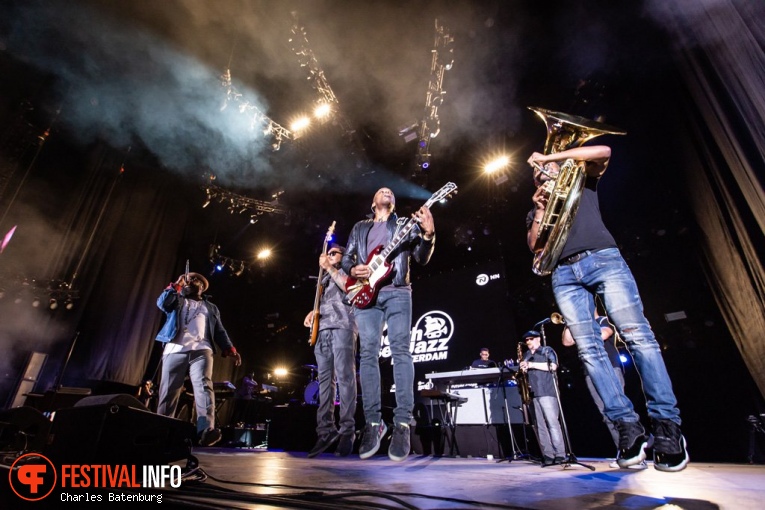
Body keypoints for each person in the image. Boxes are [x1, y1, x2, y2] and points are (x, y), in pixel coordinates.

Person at [527, 144, 688, 472]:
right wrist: (541, 211)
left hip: (602, 259)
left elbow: (604, 151)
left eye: (545, 169)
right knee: (589, 353)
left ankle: (667, 427)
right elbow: (535, 248)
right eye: (536, 173)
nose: (540, 173)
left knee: (639, 338)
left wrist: (550, 157)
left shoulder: (581, 180)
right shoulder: (535, 209)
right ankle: (627, 427)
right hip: (563, 273)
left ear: (561, 167)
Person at [342, 187, 435, 461]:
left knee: (400, 351)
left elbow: (420, 257)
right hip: (365, 292)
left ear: (394, 204)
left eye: (391, 192)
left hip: (397, 290)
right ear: (373, 202)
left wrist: (428, 235)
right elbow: (348, 257)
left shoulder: (405, 225)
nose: (387, 192)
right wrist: (352, 269)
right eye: (382, 191)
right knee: (367, 355)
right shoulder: (360, 227)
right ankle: (373, 423)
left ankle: (403, 422)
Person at [154, 271, 242, 447]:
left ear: (202, 286)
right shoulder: (177, 299)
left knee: (203, 387)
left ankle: (206, 430)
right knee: (168, 392)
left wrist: (230, 349)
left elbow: (219, 331)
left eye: (196, 279)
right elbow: (162, 303)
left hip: (202, 350)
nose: (191, 280)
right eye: (189, 278)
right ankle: (161, 431)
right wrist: (177, 284)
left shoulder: (211, 307)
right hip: (175, 349)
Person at [562, 314, 640, 467]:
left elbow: (605, 333)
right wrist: (569, 321)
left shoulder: (601, 319)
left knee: (621, 410)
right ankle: (624, 452)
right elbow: (567, 341)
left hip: (610, 366)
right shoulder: (577, 324)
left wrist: (583, 330)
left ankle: (636, 449)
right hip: (590, 372)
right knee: (605, 414)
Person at [303, 243, 358, 458]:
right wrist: (314, 312)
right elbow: (326, 302)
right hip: (323, 330)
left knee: (345, 378)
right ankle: (325, 431)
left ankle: (347, 431)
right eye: (328, 253)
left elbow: (348, 288)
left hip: (344, 326)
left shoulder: (348, 270)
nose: (329, 256)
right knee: (325, 382)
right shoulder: (323, 279)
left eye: (334, 253)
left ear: (343, 256)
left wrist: (330, 267)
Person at [519, 330, 566, 466]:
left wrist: (532, 365)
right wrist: (523, 369)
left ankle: (560, 454)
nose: (528, 342)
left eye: (531, 339)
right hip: (534, 393)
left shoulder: (546, 350)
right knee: (540, 426)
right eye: (527, 340)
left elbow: (553, 366)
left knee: (552, 424)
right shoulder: (527, 355)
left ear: (538, 339)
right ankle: (548, 454)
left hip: (547, 392)